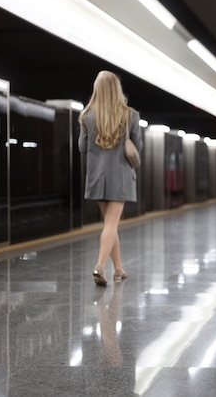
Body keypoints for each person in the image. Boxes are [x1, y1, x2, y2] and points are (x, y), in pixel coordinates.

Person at [78, 70, 143, 286]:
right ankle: (99, 265)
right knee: (111, 224)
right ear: (117, 89)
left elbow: (82, 148)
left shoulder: (87, 116)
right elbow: (138, 147)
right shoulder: (130, 115)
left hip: (96, 176)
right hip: (120, 177)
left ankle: (119, 268)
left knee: (109, 224)